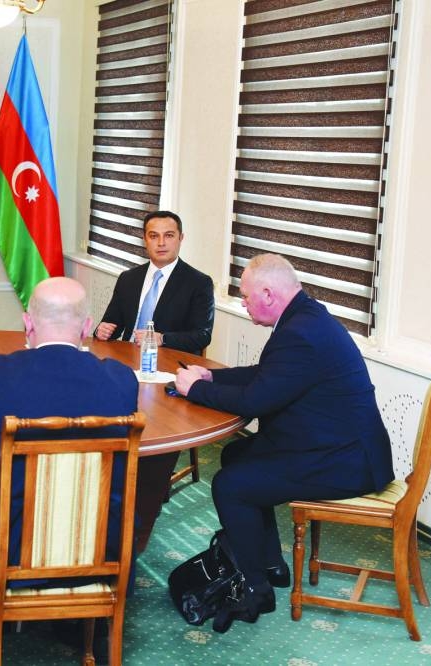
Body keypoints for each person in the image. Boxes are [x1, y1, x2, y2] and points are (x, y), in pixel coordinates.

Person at [174, 253, 393, 631]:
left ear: (269, 294)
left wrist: (193, 389)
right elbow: (267, 375)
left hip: (345, 460)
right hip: (329, 442)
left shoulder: (301, 334)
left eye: (245, 295)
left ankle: (256, 589)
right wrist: (212, 379)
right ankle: (271, 563)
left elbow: (255, 402)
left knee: (231, 485)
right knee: (237, 452)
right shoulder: (304, 317)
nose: (242, 303)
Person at [0, 277, 138, 637]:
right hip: (95, 548)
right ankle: (77, 621)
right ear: (87, 328)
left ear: (28, 322)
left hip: (1, 551)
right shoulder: (120, 380)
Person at [95, 210, 214, 354]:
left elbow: (202, 336)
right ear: (144, 239)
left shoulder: (199, 283)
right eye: (153, 236)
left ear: (181, 238)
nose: (161, 243)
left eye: (169, 235)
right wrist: (101, 330)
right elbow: (111, 325)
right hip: (126, 356)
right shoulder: (128, 278)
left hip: (168, 361)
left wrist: (162, 339)